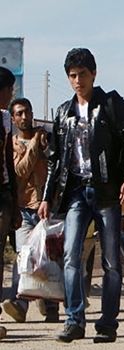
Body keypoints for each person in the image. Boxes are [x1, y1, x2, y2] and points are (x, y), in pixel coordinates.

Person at [39, 48, 124, 343]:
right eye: (73, 76)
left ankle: (107, 323)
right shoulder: (63, 112)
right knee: (71, 255)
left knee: (112, 262)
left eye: (83, 74)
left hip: (107, 192)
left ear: (94, 74)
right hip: (77, 191)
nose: (78, 81)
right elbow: (54, 159)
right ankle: (74, 320)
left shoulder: (111, 104)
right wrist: (45, 196)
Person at [2, 98, 60, 323]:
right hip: (24, 210)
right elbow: (20, 171)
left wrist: (42, 144)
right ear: (14, 119)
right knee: (24, 257)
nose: (24, 117)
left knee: (50, 258)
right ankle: (21, 303)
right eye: (19, 113)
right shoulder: (14, 144)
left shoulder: (47, 141)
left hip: (45, 208)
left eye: (27, 112)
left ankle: (51, 305)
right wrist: (35, 142)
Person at [0, 67, 20, 340]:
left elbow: (8, 162)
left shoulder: (5, 119)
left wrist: (14, 202)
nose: (12, 95)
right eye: (10, 90)